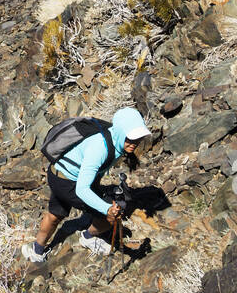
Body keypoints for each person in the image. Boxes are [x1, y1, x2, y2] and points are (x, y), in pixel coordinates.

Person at [22, 106, 151, 263]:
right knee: (110, 218)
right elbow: (82, 189)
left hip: (58, 173)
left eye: (138, 138)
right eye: (130, 138)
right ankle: (87, 237)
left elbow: (97, 171)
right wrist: (106, 209)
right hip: (68, 182)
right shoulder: (100, 148)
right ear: (121, 132)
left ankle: (36, 249)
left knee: (56, 214)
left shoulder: (114, 138)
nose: (135, 143)